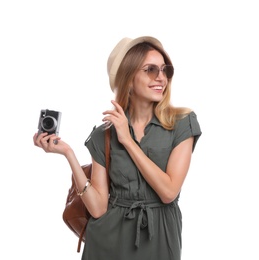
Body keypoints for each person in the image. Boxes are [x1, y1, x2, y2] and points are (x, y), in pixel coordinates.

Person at [33, 36, 202, 260]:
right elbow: (98, 209)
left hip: (160, 239)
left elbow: (169, 192)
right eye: (150, 70)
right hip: (107, 242)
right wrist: (69, 154)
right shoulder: (102, 135)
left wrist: (128, 141)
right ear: (129, 78)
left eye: (164, 70)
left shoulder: (182, 123)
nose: (161, 77)